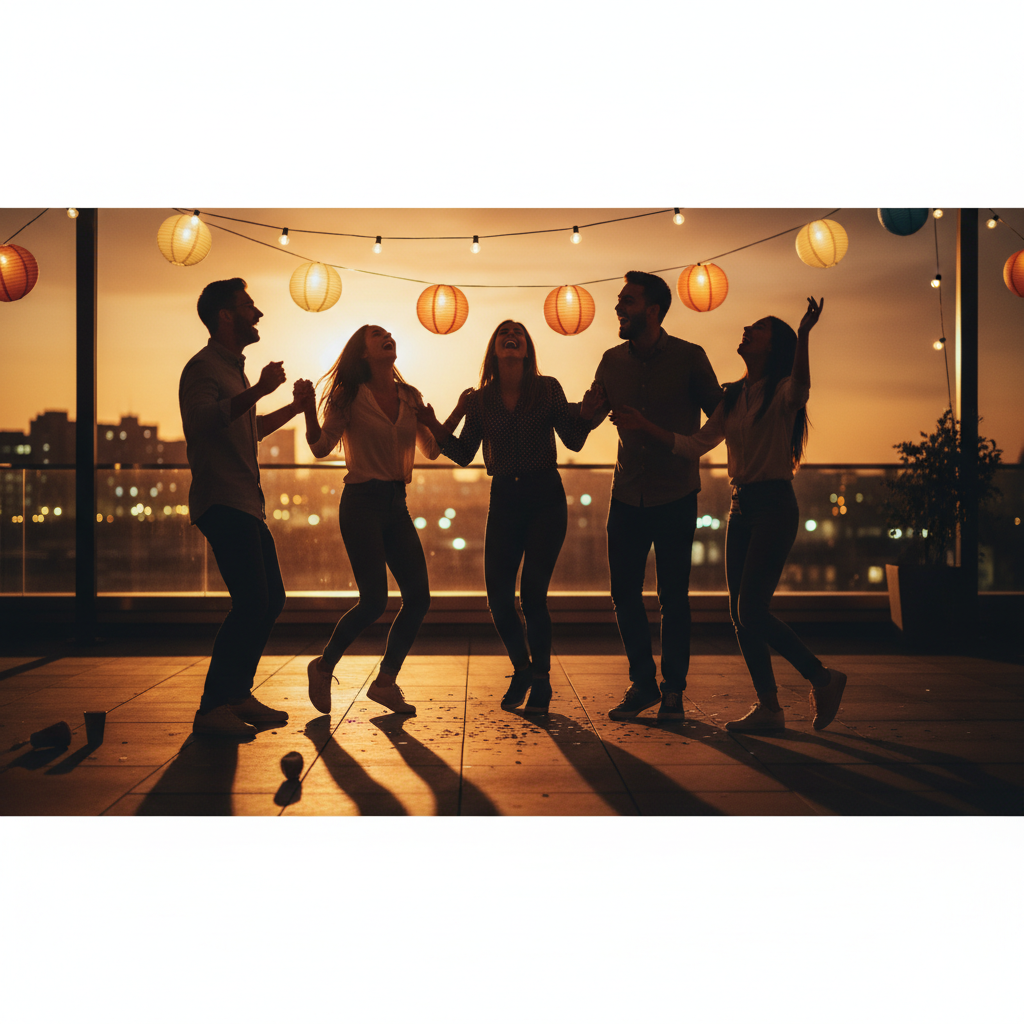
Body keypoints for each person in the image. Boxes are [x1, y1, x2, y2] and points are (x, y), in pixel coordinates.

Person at [613, 297, 848, 731]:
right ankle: (770, 708)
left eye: (758, 328)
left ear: (774, 346)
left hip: (775, 506)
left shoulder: (780, 393)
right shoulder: (734, 396)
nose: (747, 330)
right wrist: (645, 427)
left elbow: (801, 388)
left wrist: (805, 336)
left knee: (752, 609)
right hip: (740, 508)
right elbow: (695, 444)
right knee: (740, 614)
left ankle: (822, 677)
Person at [417, 320, 602, 712]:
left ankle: (541, 681)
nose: (511, 335)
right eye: (503, 332)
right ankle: (522, 668)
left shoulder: (548, 388)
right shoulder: (481, 400)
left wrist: (588, 414)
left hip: (545, 497)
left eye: (518, 331)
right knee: (499, 599)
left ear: (526, 348)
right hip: (504, 499)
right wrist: (436, 421)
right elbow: (465, 453)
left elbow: (573, 438)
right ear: (495, 349)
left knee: (533, 597)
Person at [586, 271, 722, 722]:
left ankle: (674, 691)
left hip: (675, 494)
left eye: (627, 301)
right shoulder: (611, 361)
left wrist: (676, 441)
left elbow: (720, 419)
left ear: (654, 310)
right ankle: (642, 684)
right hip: (626, 494)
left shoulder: (689, 357)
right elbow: (587, 417)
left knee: (673, 597)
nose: (618, 308)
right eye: (619, 300)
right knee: (623, 593)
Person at [179, 278, 310, 738]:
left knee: (270, 599)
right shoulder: (204, 368)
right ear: (226, 317)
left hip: (245, 501)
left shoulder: (232, 370)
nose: (258, 314)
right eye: (248, 306)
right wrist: (259, 391)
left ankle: (235, 694)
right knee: (253, 601)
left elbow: (245, 430)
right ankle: (213, 705)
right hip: (222, 499)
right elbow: (200, 422)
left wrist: (291, 409)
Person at [298, 325, 440, 716]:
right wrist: (308, 407)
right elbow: (320, 447)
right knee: (374, 600)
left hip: (397, 503)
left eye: (390, 333)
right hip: (361, 502)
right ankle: (323, 665)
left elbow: (432, 450)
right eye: (378, 335)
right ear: (363, 352)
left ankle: (385, 682)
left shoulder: (410, 397)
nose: (388, 337)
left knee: (418, 598)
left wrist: (446, 414)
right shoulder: (348, 397)